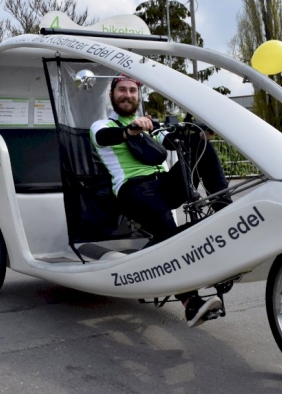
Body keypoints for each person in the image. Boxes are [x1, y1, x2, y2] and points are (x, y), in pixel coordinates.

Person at [90, 74, 231, 328]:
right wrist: (130, 130)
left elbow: (172, 142)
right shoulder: (101, 126)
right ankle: (190, 302)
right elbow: (105, 139)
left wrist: (200, 133)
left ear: (138, 96)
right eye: (122, 90)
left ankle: (226, 209)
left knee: (201, 146)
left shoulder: (148, 128)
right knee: (169, 230)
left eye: (132, 91)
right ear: (112, 95)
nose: (127, 95)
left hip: (163, 184)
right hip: (133, 190)